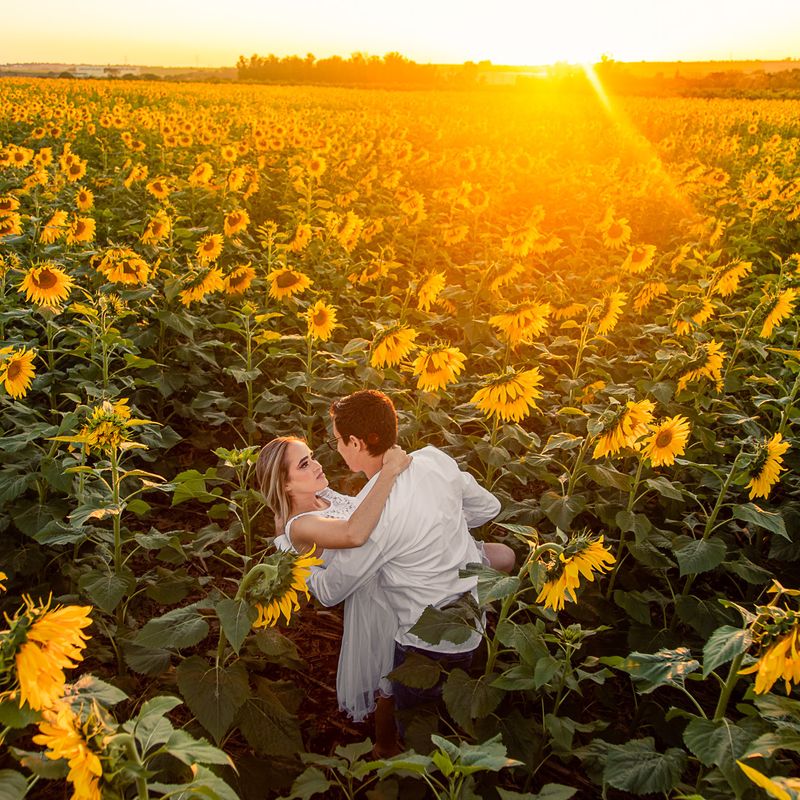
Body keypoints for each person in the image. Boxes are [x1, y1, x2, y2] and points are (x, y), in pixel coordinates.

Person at [308, 389, 512, 742]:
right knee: (457, 725)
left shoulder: (372, 515)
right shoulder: (434, 460)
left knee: (417, 735)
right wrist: (440, 527)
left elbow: (331, 591)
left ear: (356, 443)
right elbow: (488, 508)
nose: (336, 447)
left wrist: (298, 560)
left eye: (338, 440)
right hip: (472, 620)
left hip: (425, 643)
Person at [256, 435, 411, 757]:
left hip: (396, 568)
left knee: (500, 557)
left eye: (311, 457)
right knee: (392, 678)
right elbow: (355, 532)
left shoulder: (321, 495)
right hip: (379, 597)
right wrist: (389, 472)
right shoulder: (301, 526)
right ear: (285, 485)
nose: (316, 465)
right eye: (304, 464)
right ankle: (386, 751)